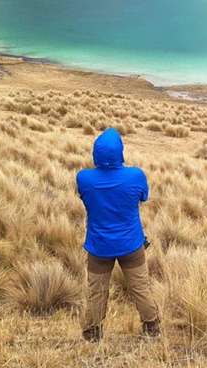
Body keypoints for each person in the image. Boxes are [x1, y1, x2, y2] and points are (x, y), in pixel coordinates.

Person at [77, 129, 160, 342]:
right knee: (141, 288)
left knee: (97, 292)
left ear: (96, 153)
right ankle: (152, 327)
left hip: (99, 246)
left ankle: (92, 333)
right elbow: (143, 197)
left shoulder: (84, 178)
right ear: (120, 152)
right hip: (131, 244)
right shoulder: (136, 175)